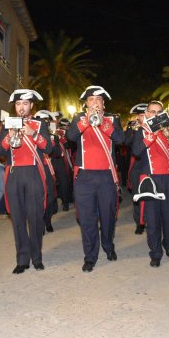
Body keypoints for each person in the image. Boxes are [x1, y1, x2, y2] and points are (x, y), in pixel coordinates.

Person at [66, 85, 124, 272]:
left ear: (103, 104)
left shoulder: (113, 119)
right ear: (86, 104)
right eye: (91, 100)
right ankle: (90, 255)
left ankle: (108, 245)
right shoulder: (78, 119)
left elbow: (121, 139)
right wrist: (86, 122)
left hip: (106, 175)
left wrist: (103, 124)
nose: (95, 102)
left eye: (98, 99)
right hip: (85, 176)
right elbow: (70, 137)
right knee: (87, 218)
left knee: (108, 215)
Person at [0, 89, 52, 273]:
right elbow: (1, 151)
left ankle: (36, 258)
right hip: (14, 173)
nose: (22, 107)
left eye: (25, 104)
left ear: (31, 106)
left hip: (33, 173)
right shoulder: (8, 124)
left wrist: (32, 133)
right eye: (19, 104)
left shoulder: (39, 123)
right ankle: (22, 259)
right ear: (15, 106)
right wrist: (9, 134)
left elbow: (49, 148)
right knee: (18, 218)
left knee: (36, 217)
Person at [132, 101, 169, 267]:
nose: (155, 115)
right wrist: (152, 135)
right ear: (146, 114)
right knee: (153, 219)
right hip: (150, 178)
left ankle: (167, 244)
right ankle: (155, 252)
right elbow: (136, 151)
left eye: (159, 112)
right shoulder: (141, 131)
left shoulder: (168, 129)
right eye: (152, 112)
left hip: (168, 178)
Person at [125, 103, 147, 234]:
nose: (142, 118)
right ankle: (139, 222)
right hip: (137, 165)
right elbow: (125, 142)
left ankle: (151, 220)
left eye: (145, 115)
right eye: (140, 115)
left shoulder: (155, 127)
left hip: (151, 165)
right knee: (137, 196)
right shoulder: (134, 128)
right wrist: (133, 131)